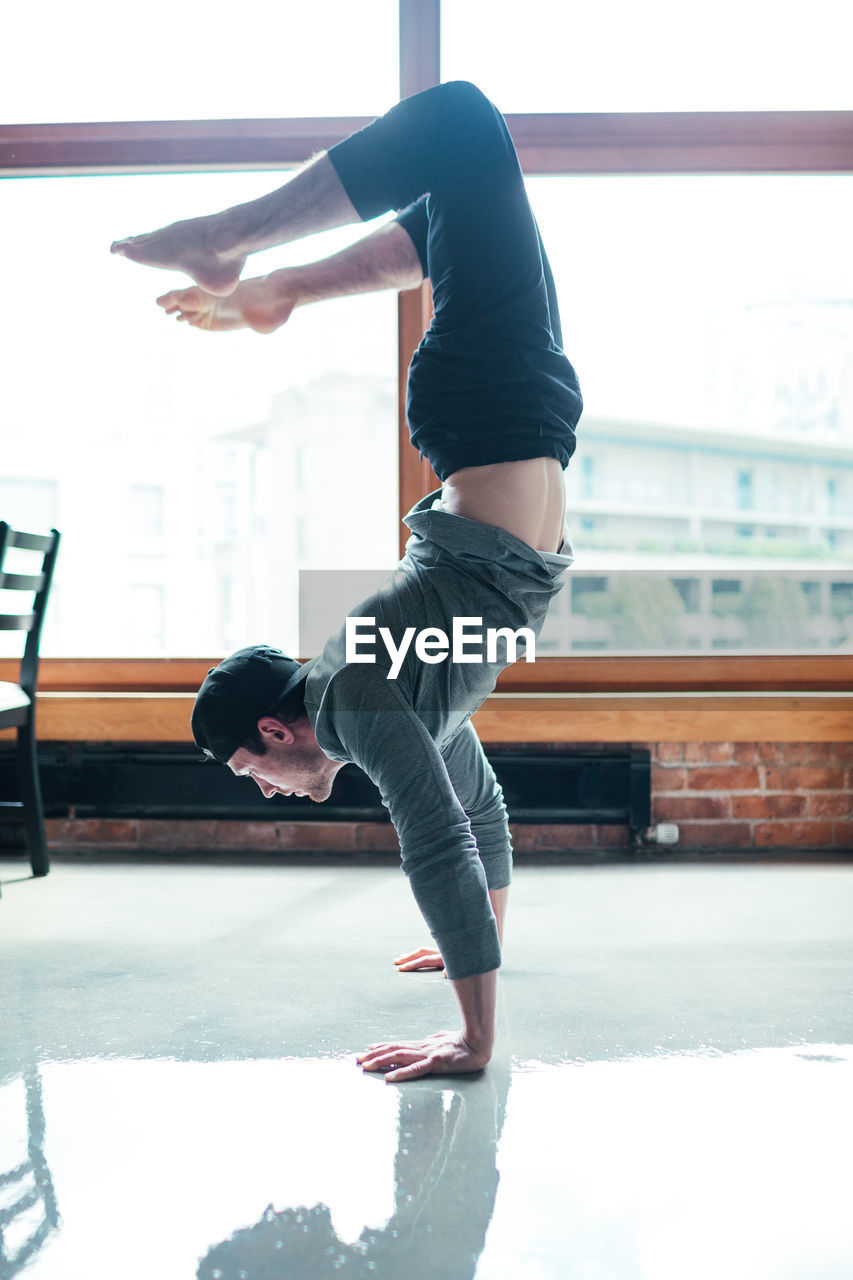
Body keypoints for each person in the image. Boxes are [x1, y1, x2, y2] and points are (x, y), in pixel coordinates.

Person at [111, 80, 582, 1083]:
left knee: (459, 125)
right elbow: (479, 812)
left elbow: (436, 844)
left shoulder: (356, 700)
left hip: (491, 417)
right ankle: (280, 291)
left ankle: (232, 240)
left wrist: (475, 1036)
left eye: (250, 766)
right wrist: (472, 944)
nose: (263, 785)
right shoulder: (392, 697)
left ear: (276, 729)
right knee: (437, 211)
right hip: (521, 418)